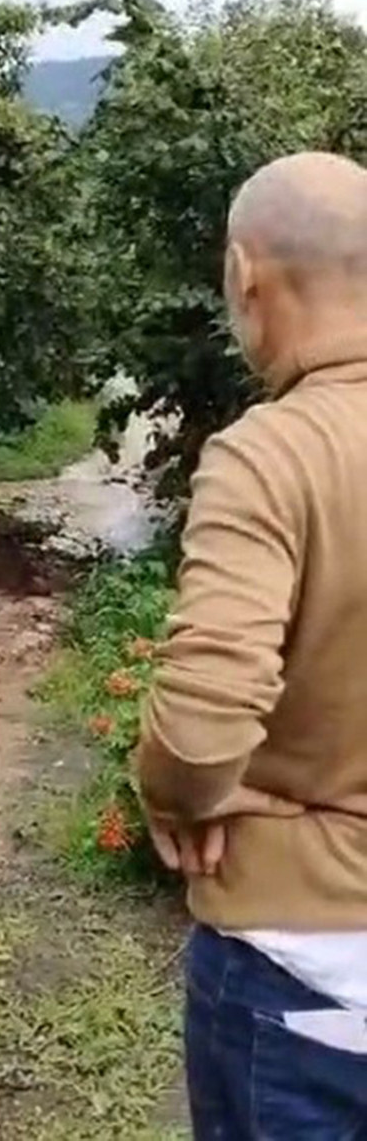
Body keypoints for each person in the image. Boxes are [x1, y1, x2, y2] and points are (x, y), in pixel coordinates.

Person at [137, 151, 367, 1140]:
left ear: (245, 274)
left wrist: (188, 788)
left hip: (296, 972)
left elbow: (196, 736)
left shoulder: (269, 453)